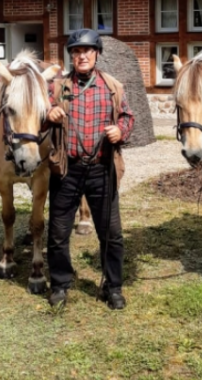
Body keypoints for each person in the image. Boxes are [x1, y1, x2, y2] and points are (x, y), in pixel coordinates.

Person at [45, 28, 134, 310]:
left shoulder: (112, 87)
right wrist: (49, 114)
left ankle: (114, 286)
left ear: (96, 54)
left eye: (87, 51)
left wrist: (120, 131)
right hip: (66, 170)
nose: (81, 55)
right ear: (71, 55)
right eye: (76, 51)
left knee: (111, 233)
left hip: (101, 170)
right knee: (58, 233)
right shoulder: (57, 88)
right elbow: (38, 116)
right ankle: (60, 284)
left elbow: (128, 118)